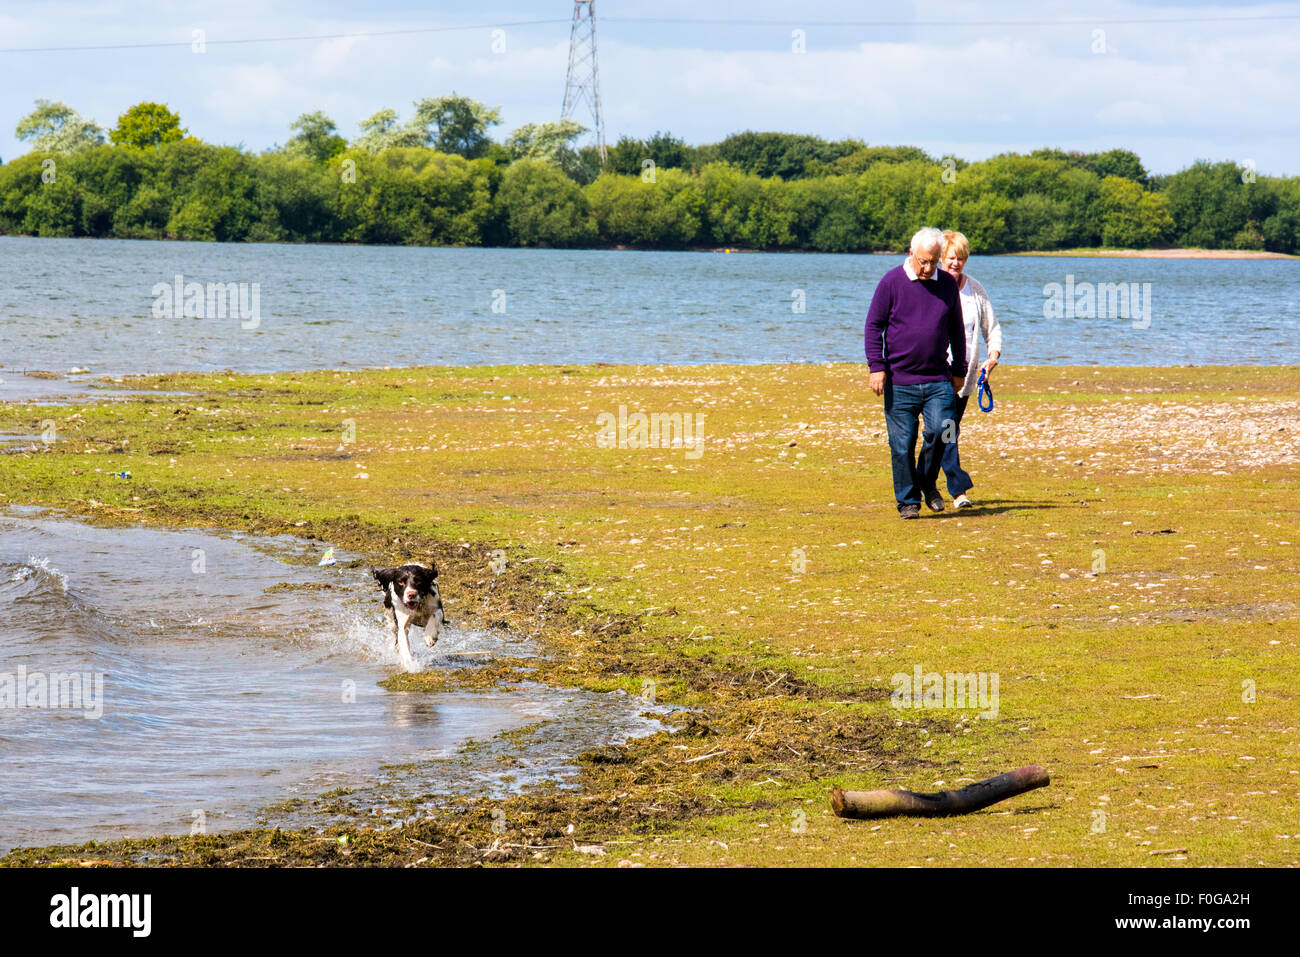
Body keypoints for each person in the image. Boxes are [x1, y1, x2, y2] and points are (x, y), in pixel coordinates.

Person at [865, 227, 966, 519]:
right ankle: (908, 501)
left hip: (938, 379)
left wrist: (959, 369)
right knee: (901, 444)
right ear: (910, 254)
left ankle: (925, 480)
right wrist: (876, 366)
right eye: (923, 261)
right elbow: (874, 326)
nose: (928, 267)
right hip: (899, 380)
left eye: (934, 261)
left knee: (941, 433)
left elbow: (957, 330)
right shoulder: (891, 282)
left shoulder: (947, 284)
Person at [937, 230, 1003, 508]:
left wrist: (993, 355)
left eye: (961, 258)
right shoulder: (932, 286)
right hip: (935, 371)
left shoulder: (974, 289)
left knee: (943, 433)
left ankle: (921, 483)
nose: (956, 263)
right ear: (941, 258)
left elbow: (992, 327)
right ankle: (958, 490)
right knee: (945, 429)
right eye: (951, 257)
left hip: (964, 376)